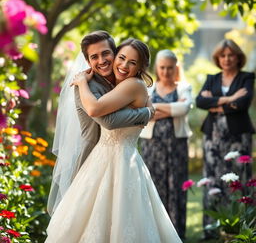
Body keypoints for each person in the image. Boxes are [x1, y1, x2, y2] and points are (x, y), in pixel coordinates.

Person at [45, 38, 182, 243]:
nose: (124, 65)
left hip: (122, 160)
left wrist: (146, 111)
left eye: (132, 62)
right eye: (122, 58)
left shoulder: (132, 85)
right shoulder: (104, 84)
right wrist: (147, 112)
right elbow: (104, 117)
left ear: (140, 67)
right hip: (99, 157)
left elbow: (101, 114)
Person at [47, 31, 154, 216]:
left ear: (114, 52)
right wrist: (146, 113)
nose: (102, 60)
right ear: (88, 62)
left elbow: (140, 92)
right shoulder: (85, 86)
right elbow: (109, 121)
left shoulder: (124, 80)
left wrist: (149, 107)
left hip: (120, 160)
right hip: (91, 158)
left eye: (106, 53)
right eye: (94, 57)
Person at [196, 39, 255, 239]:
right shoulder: (212, 78)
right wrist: (230, 99)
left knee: (239, 179)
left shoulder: (247, 77)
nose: (227, 59)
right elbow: (200, 102)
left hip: (238, 135)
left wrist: (215, 104)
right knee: (212, 177)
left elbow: (244, 102)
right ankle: (212, 229)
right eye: (223, 55)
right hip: (213, 136)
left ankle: (239, 228)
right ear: (217, 58)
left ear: (238, 57)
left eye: (231, 55)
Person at [139, 49, 192, 239]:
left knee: (176, 185)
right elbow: (142, 110)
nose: (166, 72)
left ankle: (176, 232)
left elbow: (184, 109)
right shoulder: (147, 89)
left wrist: (156, 108)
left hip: (176, 145)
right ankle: (155, 232)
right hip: (152, 145)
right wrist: (172, 108)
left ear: (175, 67)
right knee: (154, 184)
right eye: (162, 67)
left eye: (170, 68)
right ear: (157, 67)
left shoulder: (184, 87)